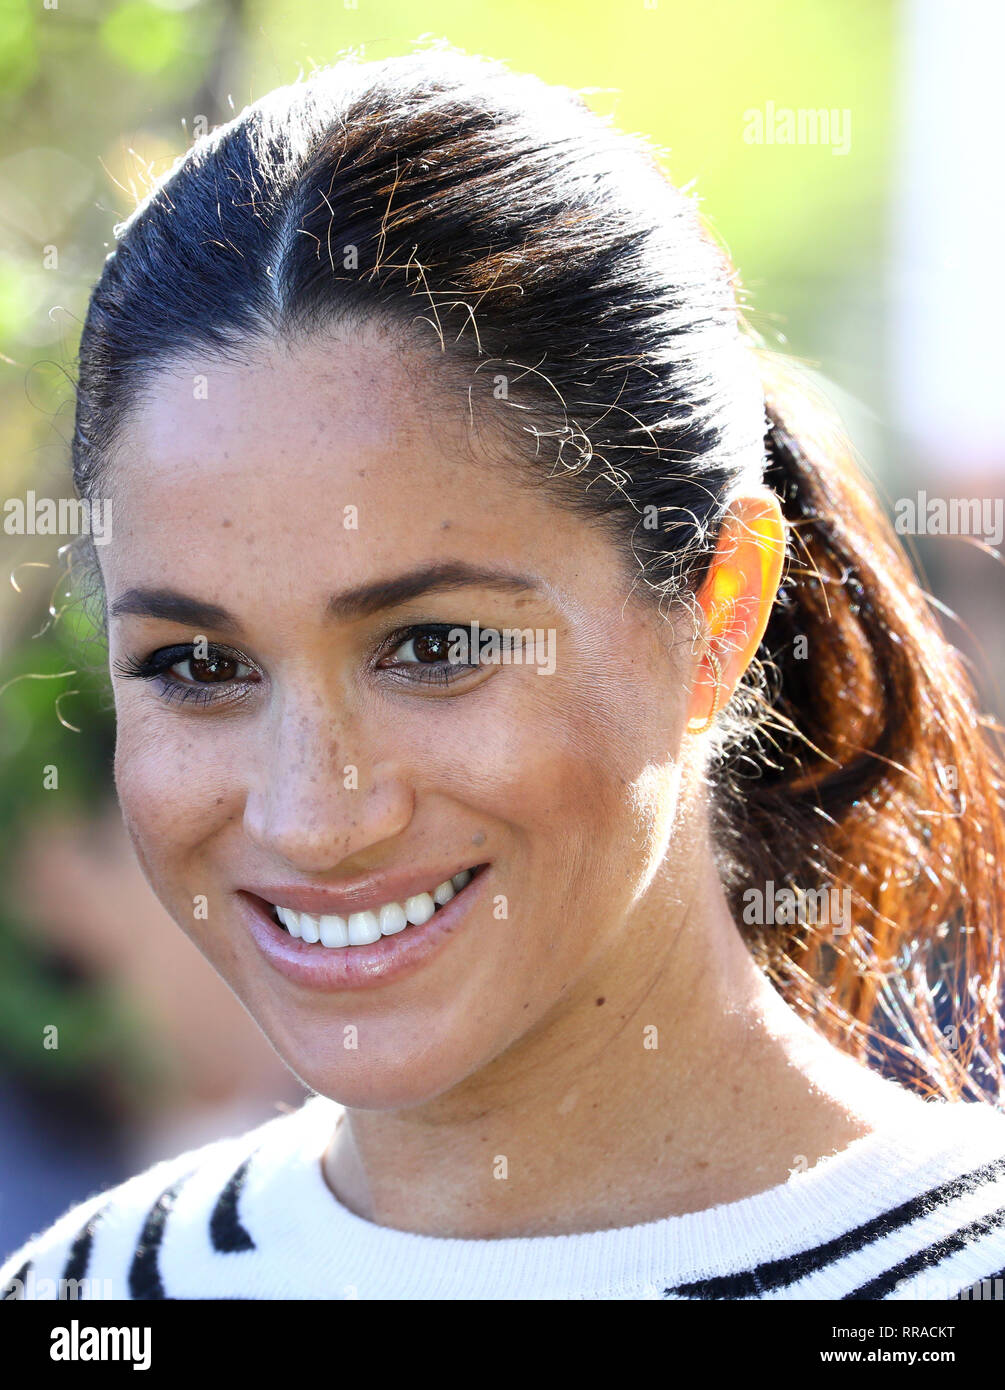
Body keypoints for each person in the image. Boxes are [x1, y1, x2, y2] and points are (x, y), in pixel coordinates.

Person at [4, 45, 1005, 1302]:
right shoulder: (85, 1298)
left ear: (723, 608)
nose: (313, 814)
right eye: (199, 665)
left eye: (430, 646)